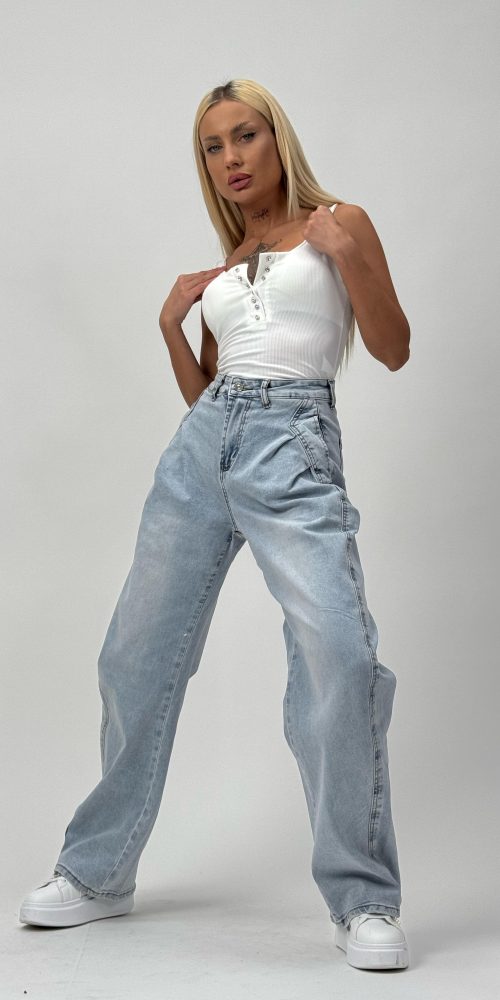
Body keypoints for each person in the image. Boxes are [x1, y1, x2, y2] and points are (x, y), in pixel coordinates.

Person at [19, 78, 411, 971]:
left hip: (295, 447)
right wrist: (172, 328)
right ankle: (98, 872)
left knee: (340, 657)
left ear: (278, 139)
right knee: (134, 656)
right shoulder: (230, 259)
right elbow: (208, 395)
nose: (231, 157)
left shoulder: (341, 222)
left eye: (245, 136)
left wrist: (344, 254)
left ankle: (363, 898)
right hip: (203, 450)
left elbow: (393, 347)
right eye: (212, 146)